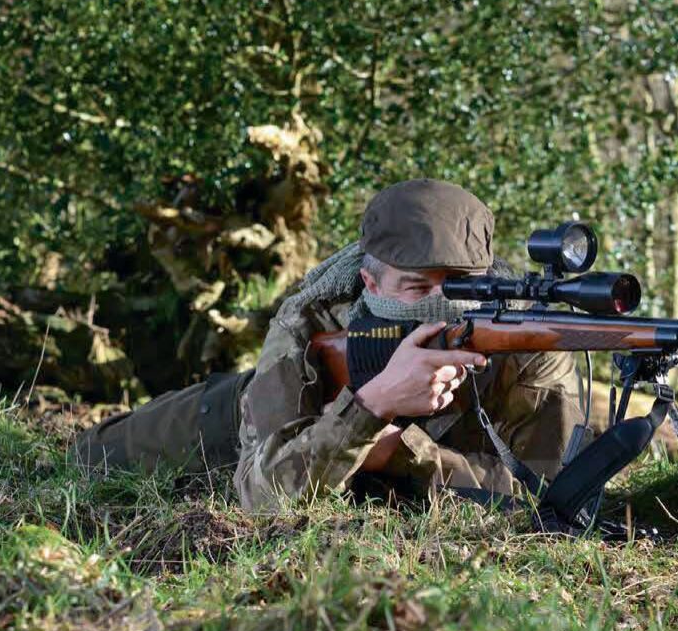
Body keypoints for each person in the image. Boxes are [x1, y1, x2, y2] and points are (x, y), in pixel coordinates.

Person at [73, 179, 584, 510]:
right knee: (89, 459)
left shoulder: (529, 341)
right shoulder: (313, 316)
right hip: (237, 427)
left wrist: (402, 454)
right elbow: (261, 495)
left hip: (366, 471)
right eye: (417, 287)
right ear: (370, 283)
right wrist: (375, 405)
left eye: (460, 284)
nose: (442, 302)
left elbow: (546, 499)